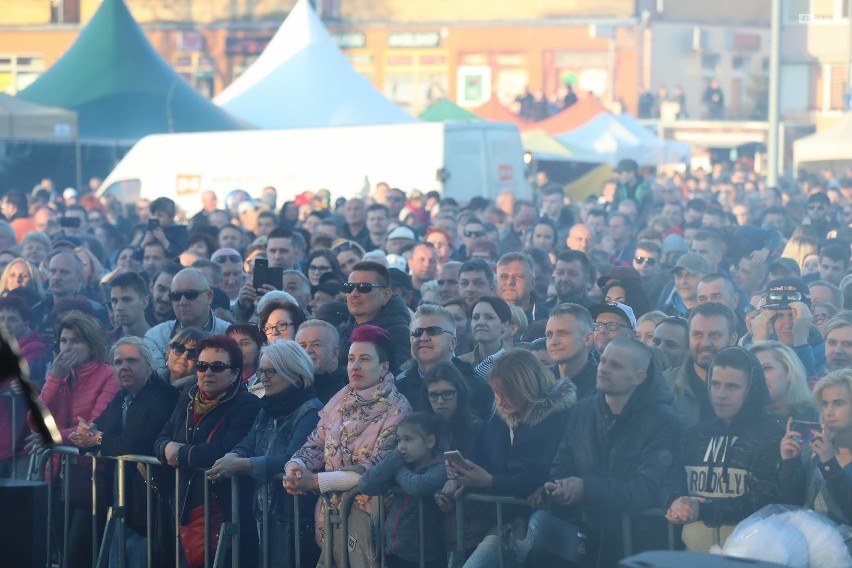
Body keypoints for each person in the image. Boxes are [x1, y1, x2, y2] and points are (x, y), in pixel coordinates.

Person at [540, 338, 681, 567]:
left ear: (639, 377)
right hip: (587, 543)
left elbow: (648, 488)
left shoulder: (663, 420)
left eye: (616, 365)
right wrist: (559, 487)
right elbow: (562, 463)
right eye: (603, 360)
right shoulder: (582, 410)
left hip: (639, 545)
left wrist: (586, 488)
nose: (604, 368)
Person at [284, 325, 411, 568]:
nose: (355, 366)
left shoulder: (397, 409)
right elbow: (315, 443)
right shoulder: (340, 399)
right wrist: (295, 467)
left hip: (370, 518)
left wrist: (316, 481)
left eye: (364, 359)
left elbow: (374, 469)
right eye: (351, 359)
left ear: (384, 367)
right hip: (331, 516)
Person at [441, 349, 575, 567]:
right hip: (499, 523)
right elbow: (480, 455)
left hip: (541, 527)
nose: (500, 402)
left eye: (507, 393)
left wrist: (490, 481)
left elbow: (534, 474)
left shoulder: (558, 417)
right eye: (496, 393)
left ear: (526, 386)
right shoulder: (500, 417)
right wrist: (460, 475)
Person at [207, 340, 323, 568]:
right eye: (262, 371)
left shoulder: (312, 411)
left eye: (272, 371)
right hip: (264, 512)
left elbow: (293, 459)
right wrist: (235, 454)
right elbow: (250, 440)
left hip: (294, 517)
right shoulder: (266, 408)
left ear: (296, 373)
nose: (264, 378)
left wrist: (243, 465)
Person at [69, 337, 179, 568]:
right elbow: (99, 430)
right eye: (118, 362)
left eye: (132, 360)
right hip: (120, 498)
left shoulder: (164, 395)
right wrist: (84, 436)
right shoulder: (121, 396)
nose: (124, 367)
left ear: (148, 364)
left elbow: (143, 443)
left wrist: (97, 438)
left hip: (147, 500)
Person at [154, 335, 261, 568]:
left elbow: (223, 451)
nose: (207, 372)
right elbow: (162, 437)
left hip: (222, 510)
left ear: (234, 373)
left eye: (217, 366)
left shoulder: (247, 403)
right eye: (202, 366)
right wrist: (165, 448)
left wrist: (180, 455)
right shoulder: (189, 396)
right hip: (184, 505)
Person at [663, 347, 784, 552]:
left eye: (732, 386)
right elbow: (671, 478)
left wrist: (702, 510)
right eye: (715, 384)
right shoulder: (694, 434)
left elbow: (764, 501)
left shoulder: (772, 434)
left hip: (751, 557)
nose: (720, 394)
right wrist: (675, 501)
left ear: (751, 388)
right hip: (695, 556)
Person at [26, 311, 121, 568]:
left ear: (91, 346)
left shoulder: (108, 375)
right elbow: (35, 421)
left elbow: (91, 427)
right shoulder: (62, 376)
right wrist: (54, 378)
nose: (67, 347)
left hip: (91, 478)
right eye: (63, 341)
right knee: (62, 552)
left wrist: (51, 438)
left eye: (75, 341)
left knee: (77, 555)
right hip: (56, 477)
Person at [359, 413, 448, 568]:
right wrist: (392, 461)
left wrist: (397, 469)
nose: (401, 447)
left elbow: (417, 486)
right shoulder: (402, 463)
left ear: (430, 442)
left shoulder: (440, 467)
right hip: (394, 553)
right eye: (399, 440)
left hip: (426, 559)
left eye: (408, 439)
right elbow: (366, 484)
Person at [779, 369, 852, 524]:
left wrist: (830, 465)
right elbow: (793, 505)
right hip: (811, 543)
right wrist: (790, 463)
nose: (829, 412)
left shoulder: (824, 454)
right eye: (825, 404)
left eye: (838, 403)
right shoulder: (817, 450)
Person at [395, 304, 493, 419]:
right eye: (417, 332)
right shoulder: (398, 391)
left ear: (453, 342)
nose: (423, 338)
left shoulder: (478, 389)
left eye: (433, 331)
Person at [144, 268, 231, 375]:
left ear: (209, 296)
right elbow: (158, 382)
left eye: (190, 294)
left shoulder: (229, 334)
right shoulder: (156, 336)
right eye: (175, 296)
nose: (182, 302)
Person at [664, 303, 739, 428]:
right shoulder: (664, 386)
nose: (705, 343)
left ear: (732, 338)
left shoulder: (750, 387)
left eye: (715, 335)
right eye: (698, 334)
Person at [337, 261, 412, 375]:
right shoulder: (343, 330)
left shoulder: (398, 333)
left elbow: (391, 377)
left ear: (386, 295)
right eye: (349, 287)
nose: (354, 293)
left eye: (364, 287)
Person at [750, 340, 818, 424]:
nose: (759, 376)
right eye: (754, 371)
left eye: (766, 368)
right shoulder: (743, 420)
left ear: (789, 371)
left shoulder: (816, 416)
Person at [423, 362, 483, 455]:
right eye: (433, 395)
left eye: (447, 393)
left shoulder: (476, 430)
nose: (440, 401)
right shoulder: (421, 428)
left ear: (460, 393)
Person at [545, 303, 598, 399]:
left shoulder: (605, 385)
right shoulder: (540, 383)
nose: (553, 342)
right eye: (549, 335)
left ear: (588, 339)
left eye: (563, 333)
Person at [295, 319, 348, 404]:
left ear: (334, 353)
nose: (307, 350)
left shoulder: (351, 386)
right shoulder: (290, 387)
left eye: (316, 344)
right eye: (302, 346)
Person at [106, 272, 151, 341]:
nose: (119, 307)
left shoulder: (163, 339)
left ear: (144, 302)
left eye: (126, 300)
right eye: (114, 301)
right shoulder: (105, 341)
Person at [226, 322, 267, 391]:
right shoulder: (221, 380)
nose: (237, 348)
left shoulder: (268, 380)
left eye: (244, 343)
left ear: (259, 347)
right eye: (232, 343)